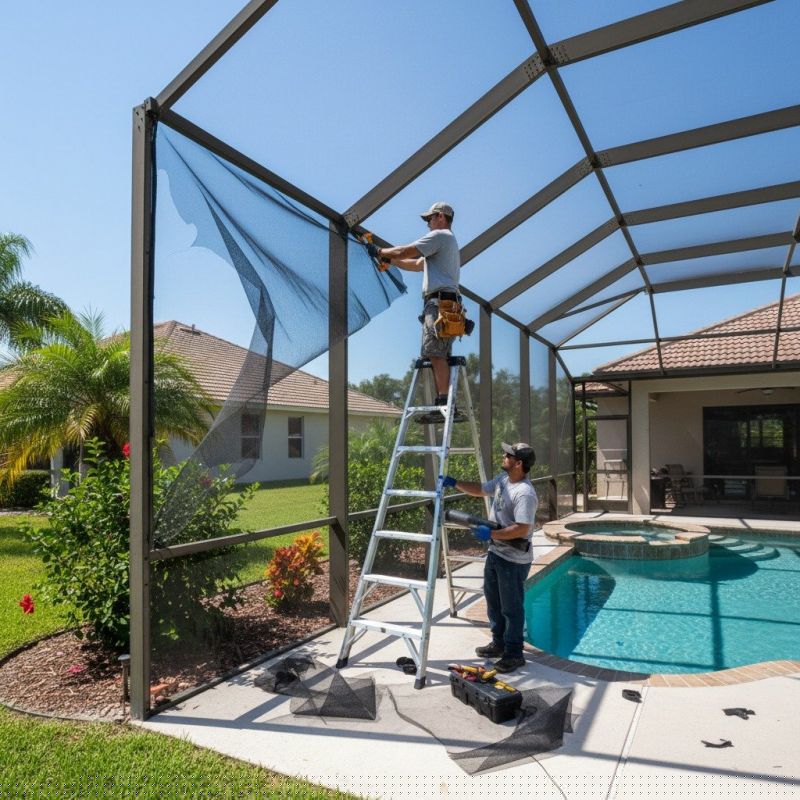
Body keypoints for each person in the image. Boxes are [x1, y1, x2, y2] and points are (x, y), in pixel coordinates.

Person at [443, 442, 538, 673]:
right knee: (494, 602)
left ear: (519, 463)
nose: (504, 456)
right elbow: (480, 489)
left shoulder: (524, 493)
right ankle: (499, 643)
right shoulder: (503, 481)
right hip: (496, 553)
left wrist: (491, 533)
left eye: (509, 455)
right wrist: (455, 483)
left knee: (511, 608)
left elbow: (521, 529)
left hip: (514, 560)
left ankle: (514, 654)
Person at [366, 202, 461, 422]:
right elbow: (416, 264)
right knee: (435, 352)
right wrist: (389, 260)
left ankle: (444, 405)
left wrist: (379, 251)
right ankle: (444, 403)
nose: (428, 224)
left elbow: (406, 250)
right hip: (442, 303)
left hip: (439, 304)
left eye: (429, 219)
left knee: (435, 353)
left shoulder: (441, 236)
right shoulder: (446, 243)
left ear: (440, 216)